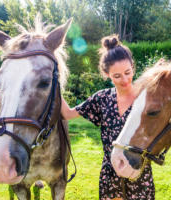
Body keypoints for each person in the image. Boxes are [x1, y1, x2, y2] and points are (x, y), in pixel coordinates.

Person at [61, 35, 155, 200]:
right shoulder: (102, 99)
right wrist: (53, 83)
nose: (125, 80)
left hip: (138, 172)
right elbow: (68, 114)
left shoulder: (145, 98)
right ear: (106, 75)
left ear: (133, 67)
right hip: (110, 174)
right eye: (117, 76)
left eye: (128, 72)